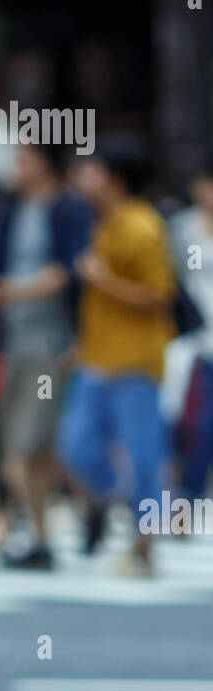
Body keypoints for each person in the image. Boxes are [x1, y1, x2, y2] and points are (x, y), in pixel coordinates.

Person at [57, 143, 177, 576]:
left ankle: (144, 545)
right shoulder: (105, 223)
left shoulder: (143, 226)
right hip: (96, 359)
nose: (83, 178)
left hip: (135, 363)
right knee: (76, 446)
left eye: (92, 170)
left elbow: (161, 295)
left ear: (114, 178)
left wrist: (104, 280)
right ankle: (127, 506)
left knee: (144, 455)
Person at [0, 144, 93, 568]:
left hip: (53, 344)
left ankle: (44, 535)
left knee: (27, 447)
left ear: (47, 164)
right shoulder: (12, 208)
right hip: (12, 342)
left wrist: (9, 292)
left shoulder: (69, 209)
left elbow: (67, 274)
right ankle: (67, 518)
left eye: (25, 159)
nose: (16, 167)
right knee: (32, 448)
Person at [167, 170, 213, 505]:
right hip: (191, 341)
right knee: (191, 423)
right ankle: (182, 497)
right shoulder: (181, 229)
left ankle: (190, 497)